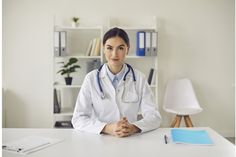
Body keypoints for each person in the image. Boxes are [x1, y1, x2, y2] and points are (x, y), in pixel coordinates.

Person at [72, 27, 161, 137]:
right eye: (109, 48)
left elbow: (154, 116)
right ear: (103, 49)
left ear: (127, 49)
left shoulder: (139, 78)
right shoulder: (91, 79)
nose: (114, 54)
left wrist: (134, 127)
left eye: (120, 48)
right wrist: (107, 128)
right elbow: (78, 119)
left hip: (130, 138)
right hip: (100, 139)